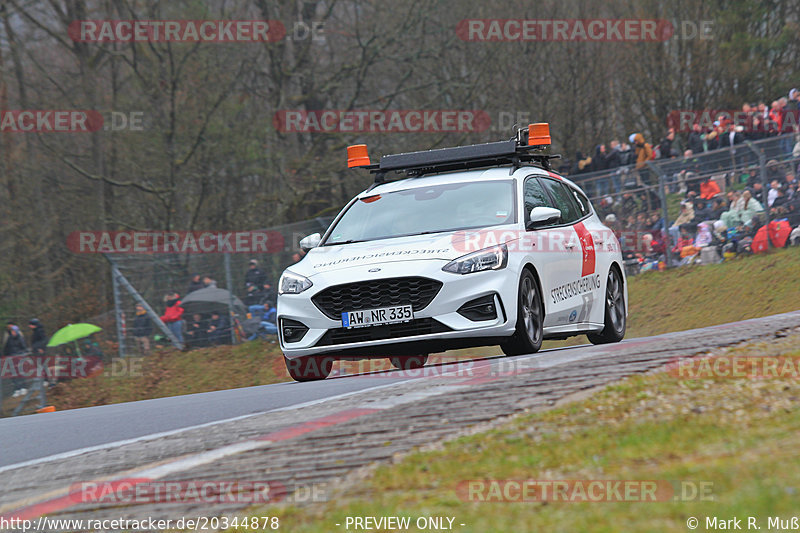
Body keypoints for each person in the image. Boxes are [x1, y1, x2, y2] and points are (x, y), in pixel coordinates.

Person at [3, 324, 28, 397]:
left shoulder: (20, 338)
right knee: (13, 374)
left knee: (20, 373)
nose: (13, 333)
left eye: (14, 331)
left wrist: (21, 355)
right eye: (12, 331)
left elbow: (24, 348)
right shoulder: (9, 339)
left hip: (19, 358)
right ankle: (17, 389)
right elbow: (6, 349)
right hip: (11, 358)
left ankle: (23, 387)